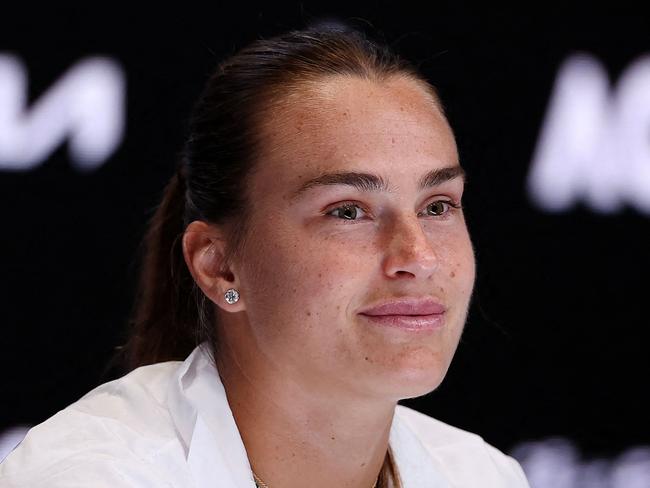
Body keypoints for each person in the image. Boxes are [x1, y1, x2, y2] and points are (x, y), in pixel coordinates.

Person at [0, 19, 530, 487]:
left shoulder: (480, 474)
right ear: (218, 264)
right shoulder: (95, 478)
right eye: (348, 211)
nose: (418, 256)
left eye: (437, 206)